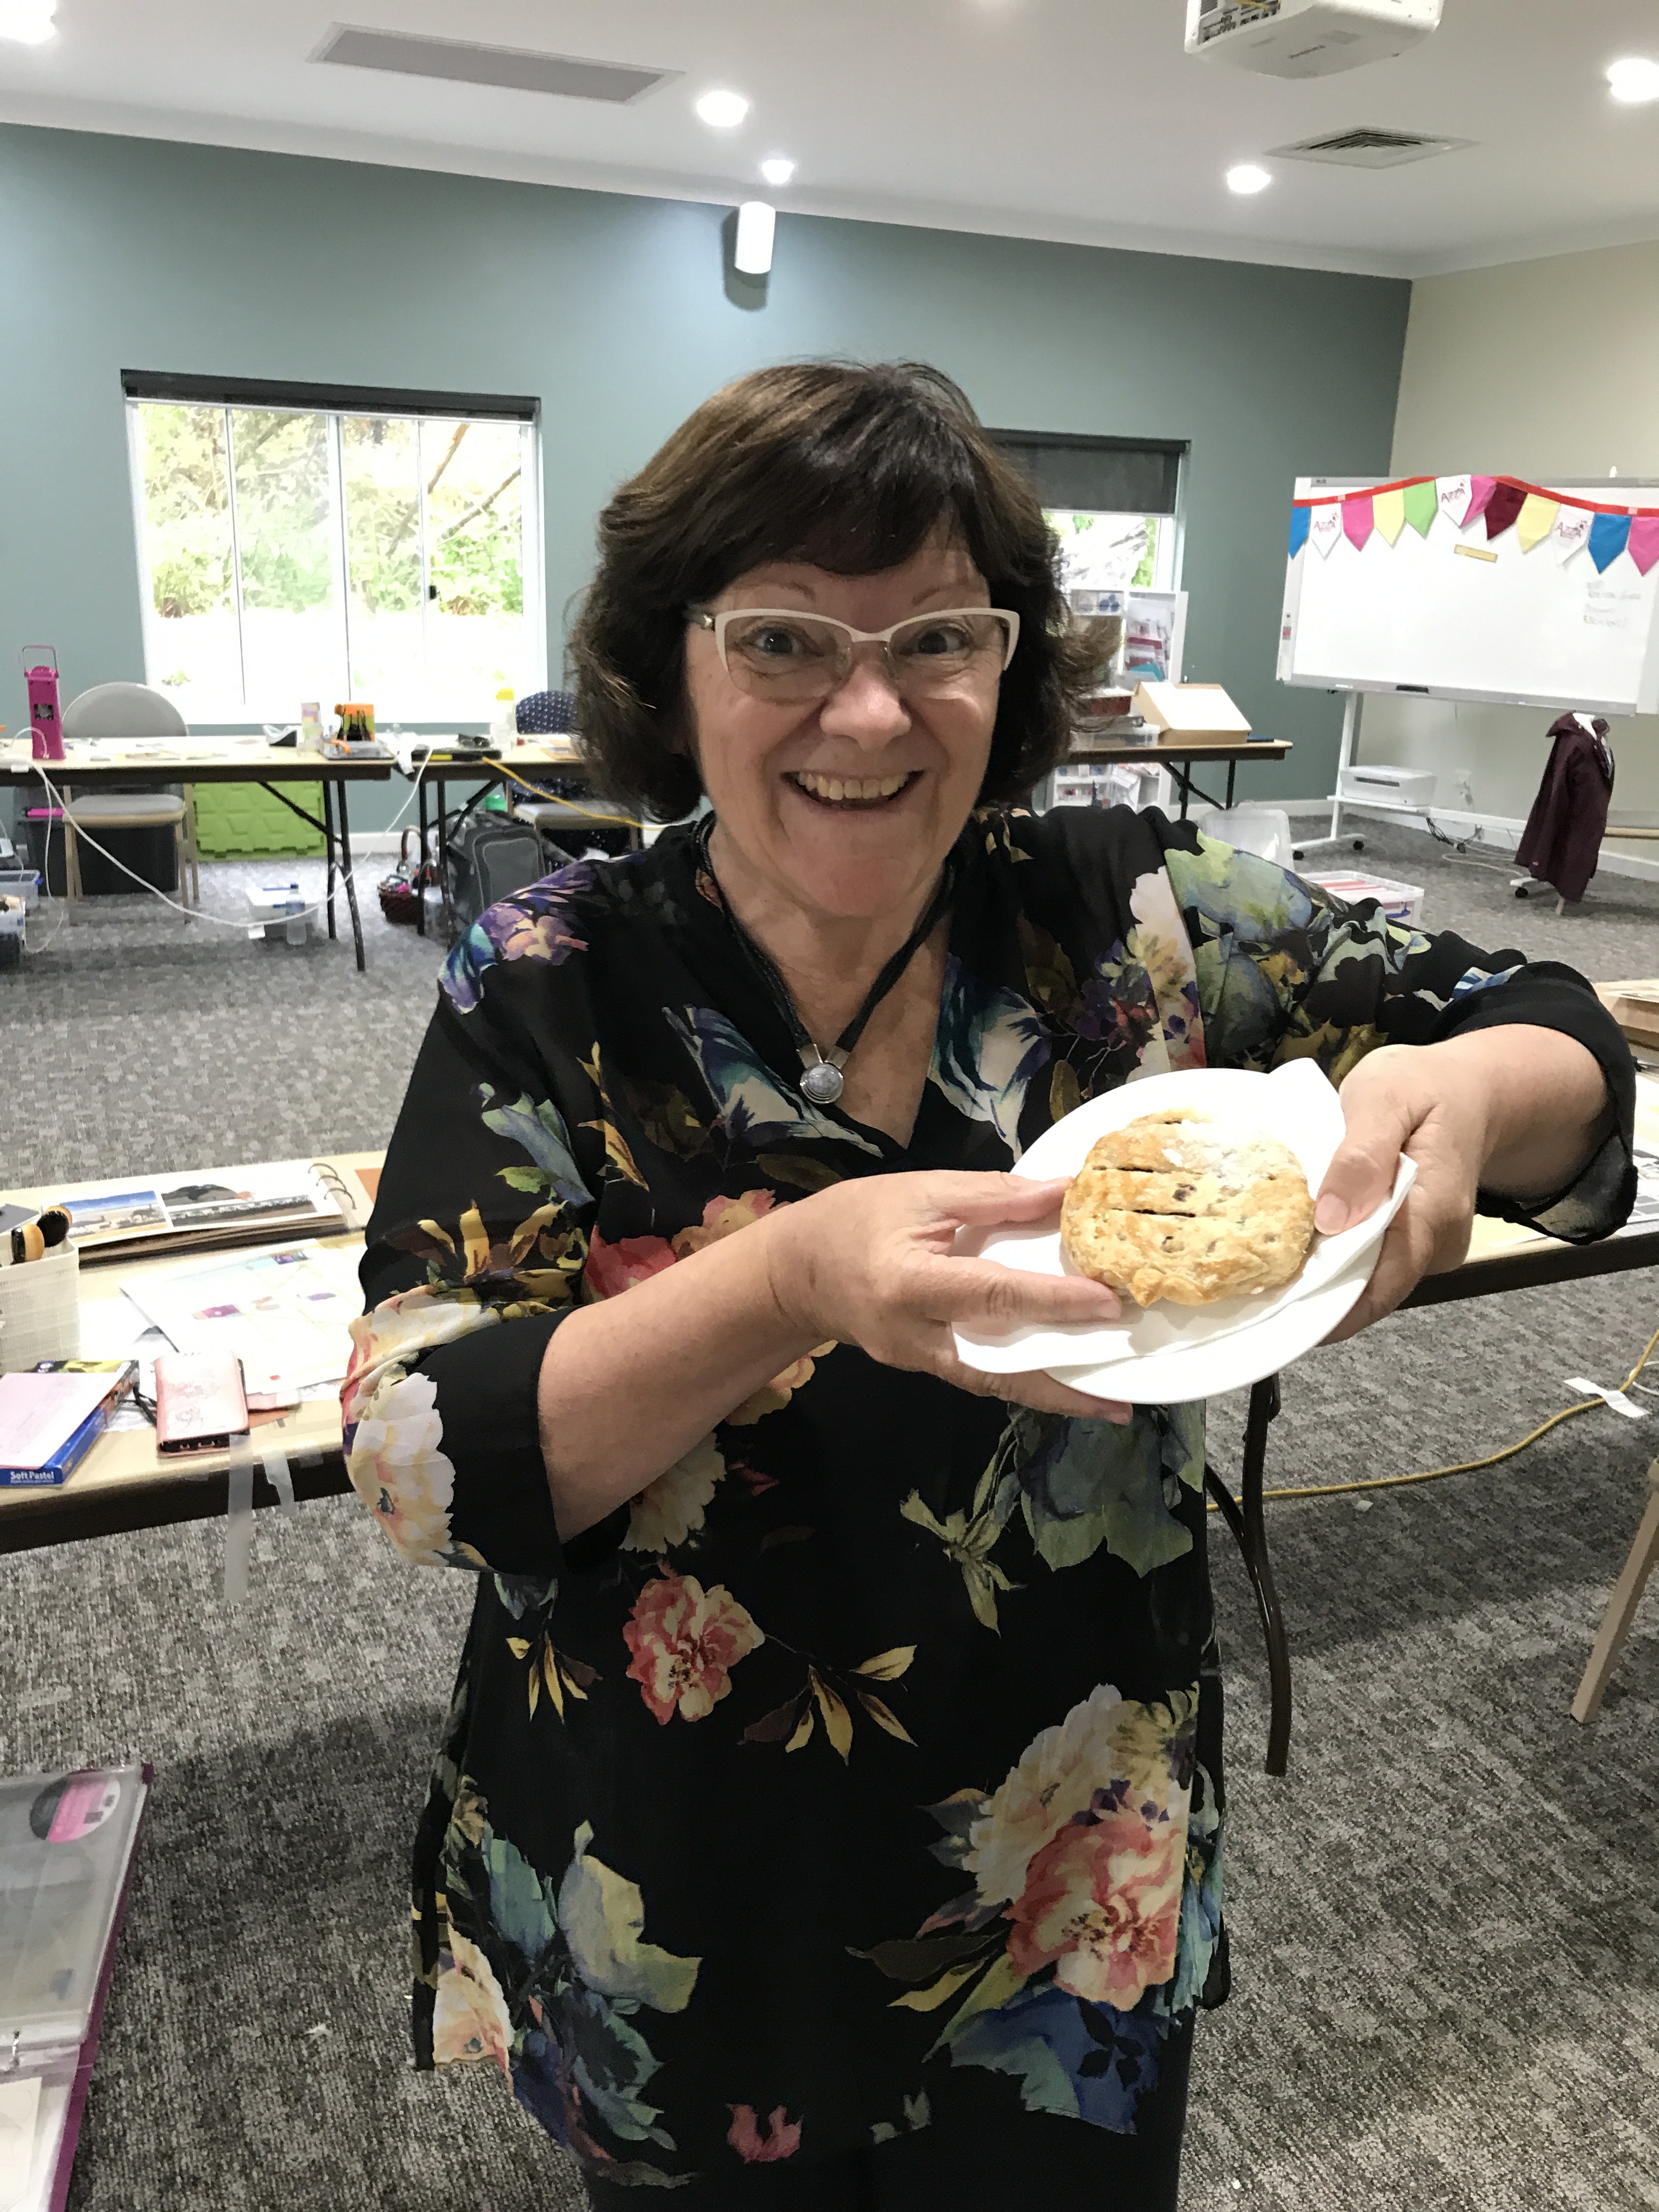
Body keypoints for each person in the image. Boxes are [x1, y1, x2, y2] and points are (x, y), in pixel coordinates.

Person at [343, 362, 1632, 2208]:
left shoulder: (1129, 915)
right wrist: (787, 1278)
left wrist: (1471, 1096)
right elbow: (416, 1453)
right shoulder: (553, 974)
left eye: (937, 636)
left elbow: (1550, 1022)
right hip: (686, 1880)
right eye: (783, 638)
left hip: (1069, 1859)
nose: (869, 710)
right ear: (666, 667)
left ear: (1009, 669)